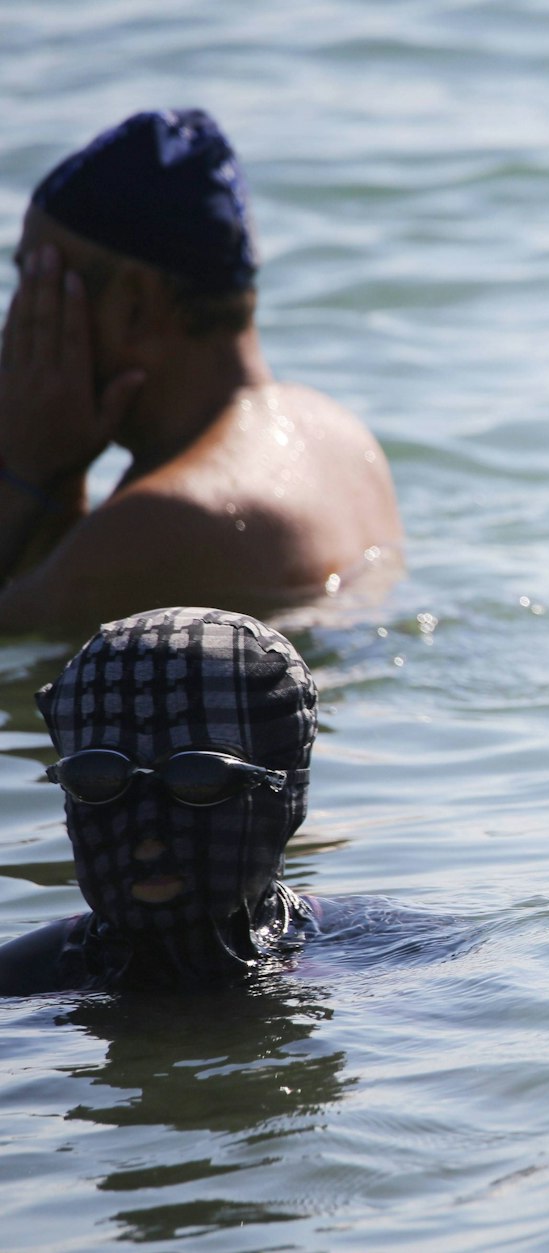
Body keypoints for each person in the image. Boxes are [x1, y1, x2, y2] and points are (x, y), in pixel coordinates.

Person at [0, 110, 402, 633]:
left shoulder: (166, 522)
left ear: (135, 303)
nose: (19, 316)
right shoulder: (336, 434)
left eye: (40, 278)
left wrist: (25, 470)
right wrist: (60, 467)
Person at [0, 606, 332, 994]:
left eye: (199, 780)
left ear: (286, 793)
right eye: (96, 780)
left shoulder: (382, 951)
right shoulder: (18, 983)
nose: (147, 838)